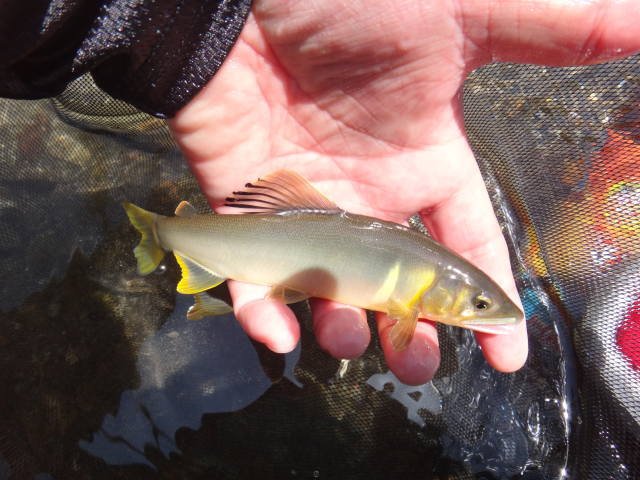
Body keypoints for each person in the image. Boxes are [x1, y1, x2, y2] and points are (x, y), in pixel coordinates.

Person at [3, 0, 640, 385]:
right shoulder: (414, 299)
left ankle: (165, 232)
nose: (478, 308)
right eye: (474, 303)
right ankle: (162, 232)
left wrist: (195, 28)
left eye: (475, 303)